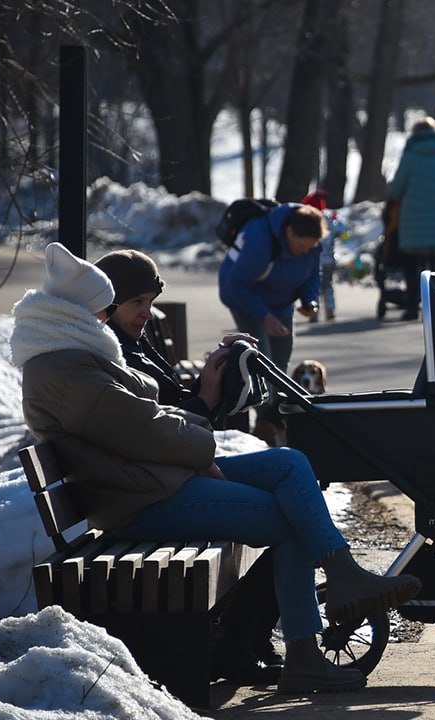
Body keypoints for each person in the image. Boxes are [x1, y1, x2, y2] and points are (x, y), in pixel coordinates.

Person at [13, 242, 423, 694]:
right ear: (78, 312)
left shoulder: (73, 356)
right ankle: (303, 654)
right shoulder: (67, 370)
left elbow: (147, 420)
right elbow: (146, 429)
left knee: (288, 463)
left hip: (147, 481)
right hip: (139, 500)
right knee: (289, 518)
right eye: (103, 309)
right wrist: (202, 445)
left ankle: (342, 575)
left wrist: (193, 432)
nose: (107, 317)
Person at [94, 248, 281, 683]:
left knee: (288, 473)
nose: (146, 312)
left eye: (150, 302)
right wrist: (207, 397)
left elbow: (174, 413)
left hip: (163, 478)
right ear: (110, 302)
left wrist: (213, 376)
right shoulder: (113, 354)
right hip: (147, 494)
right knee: (281, 515)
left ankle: (248, 639)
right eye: (137, 302)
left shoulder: (133, 343)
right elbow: (158, 431)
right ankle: (240, 642)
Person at [217, 202, 327, 444]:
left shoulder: (312, 246)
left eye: (309, 248)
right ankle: (269, 423)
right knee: (262, 362)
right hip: (245, 300)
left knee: (280, 361)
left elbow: (312, 276)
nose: (304, 252)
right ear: (289, 232)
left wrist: (310, 300)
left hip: (281, 304)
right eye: (300, 246)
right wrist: (264, 317)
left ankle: (274, 421)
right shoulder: (260, 238)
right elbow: (237, 285)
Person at [385, 116, 435, 321]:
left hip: (413, 221)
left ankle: (412, 307)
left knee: (412, 265)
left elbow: (396, 189)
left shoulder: (410, 157)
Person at [301, 190, 346, 322]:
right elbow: (344, 234)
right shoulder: (330, 219)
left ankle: (313, 311)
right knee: (328, 286)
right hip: (329, 260)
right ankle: (330, 310)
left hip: (312, 261)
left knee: (313, 288)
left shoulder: (307, 219)